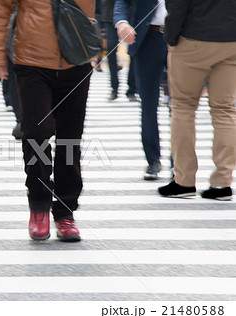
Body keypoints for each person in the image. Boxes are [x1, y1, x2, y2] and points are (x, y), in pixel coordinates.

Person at [0, 0, 95, 242]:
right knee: (36, 133)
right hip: (31, 61)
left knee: (70, 138)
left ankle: (65, 212)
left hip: (77, 58)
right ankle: (39, 205)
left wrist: (96, 47)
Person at [158, 0, 236, 200]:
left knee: (183, 107)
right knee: (225, 109)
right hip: (231, 40)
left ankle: (184, 181)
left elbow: (176, 7)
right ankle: (222, 183)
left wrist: (171, 38)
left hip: (193, 38)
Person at [114, 0, 167, 180]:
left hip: (183, 38)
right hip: (148, 38)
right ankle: (153, 159)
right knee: (149, 104)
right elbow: (122, 2)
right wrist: (121, 22)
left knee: (181, 107)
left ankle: (180, 164)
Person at [101, 0, 137, 101]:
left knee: (133, 50)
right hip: (109, 14)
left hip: (132, 13)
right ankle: (114, 88)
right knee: (111, 49)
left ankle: (132, 89)